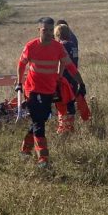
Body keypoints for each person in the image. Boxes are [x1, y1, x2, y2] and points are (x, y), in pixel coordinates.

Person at [17, 17, 84, 168]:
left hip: (49, 89)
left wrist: (81, 82)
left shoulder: (58, 47)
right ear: (39, 30)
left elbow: (70, 66)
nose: (47, 33)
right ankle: (43, 159)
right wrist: (19, 83)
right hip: (32, 90)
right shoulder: (31, 46)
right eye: (44, 30)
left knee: (39, 120)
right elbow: (21, 65)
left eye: (49, 30)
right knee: (39, 123)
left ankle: (25, 150)